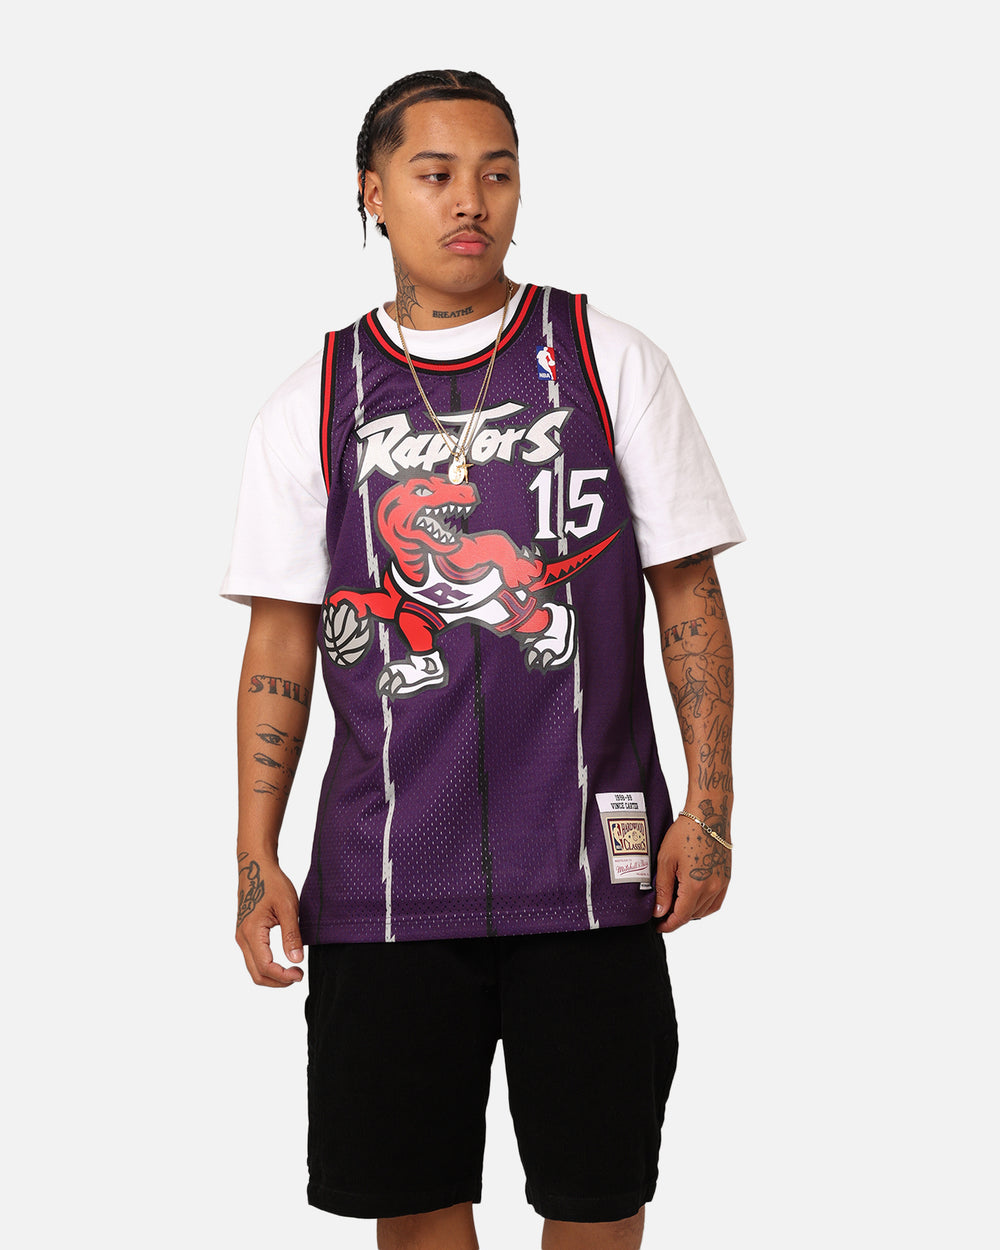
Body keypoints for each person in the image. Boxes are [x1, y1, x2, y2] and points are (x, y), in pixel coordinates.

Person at [223, 69, 744, 1250]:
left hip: (594, 869)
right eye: (437, 173)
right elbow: (279, 638)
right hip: (384, 884)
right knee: (412, 1211)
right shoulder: (314, 395)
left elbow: (689, 596)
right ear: (373, 192)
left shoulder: (607, 358)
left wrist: (709, 804)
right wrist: (255, 854)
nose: (471, 200)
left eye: (496, 172)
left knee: (597, 1201)